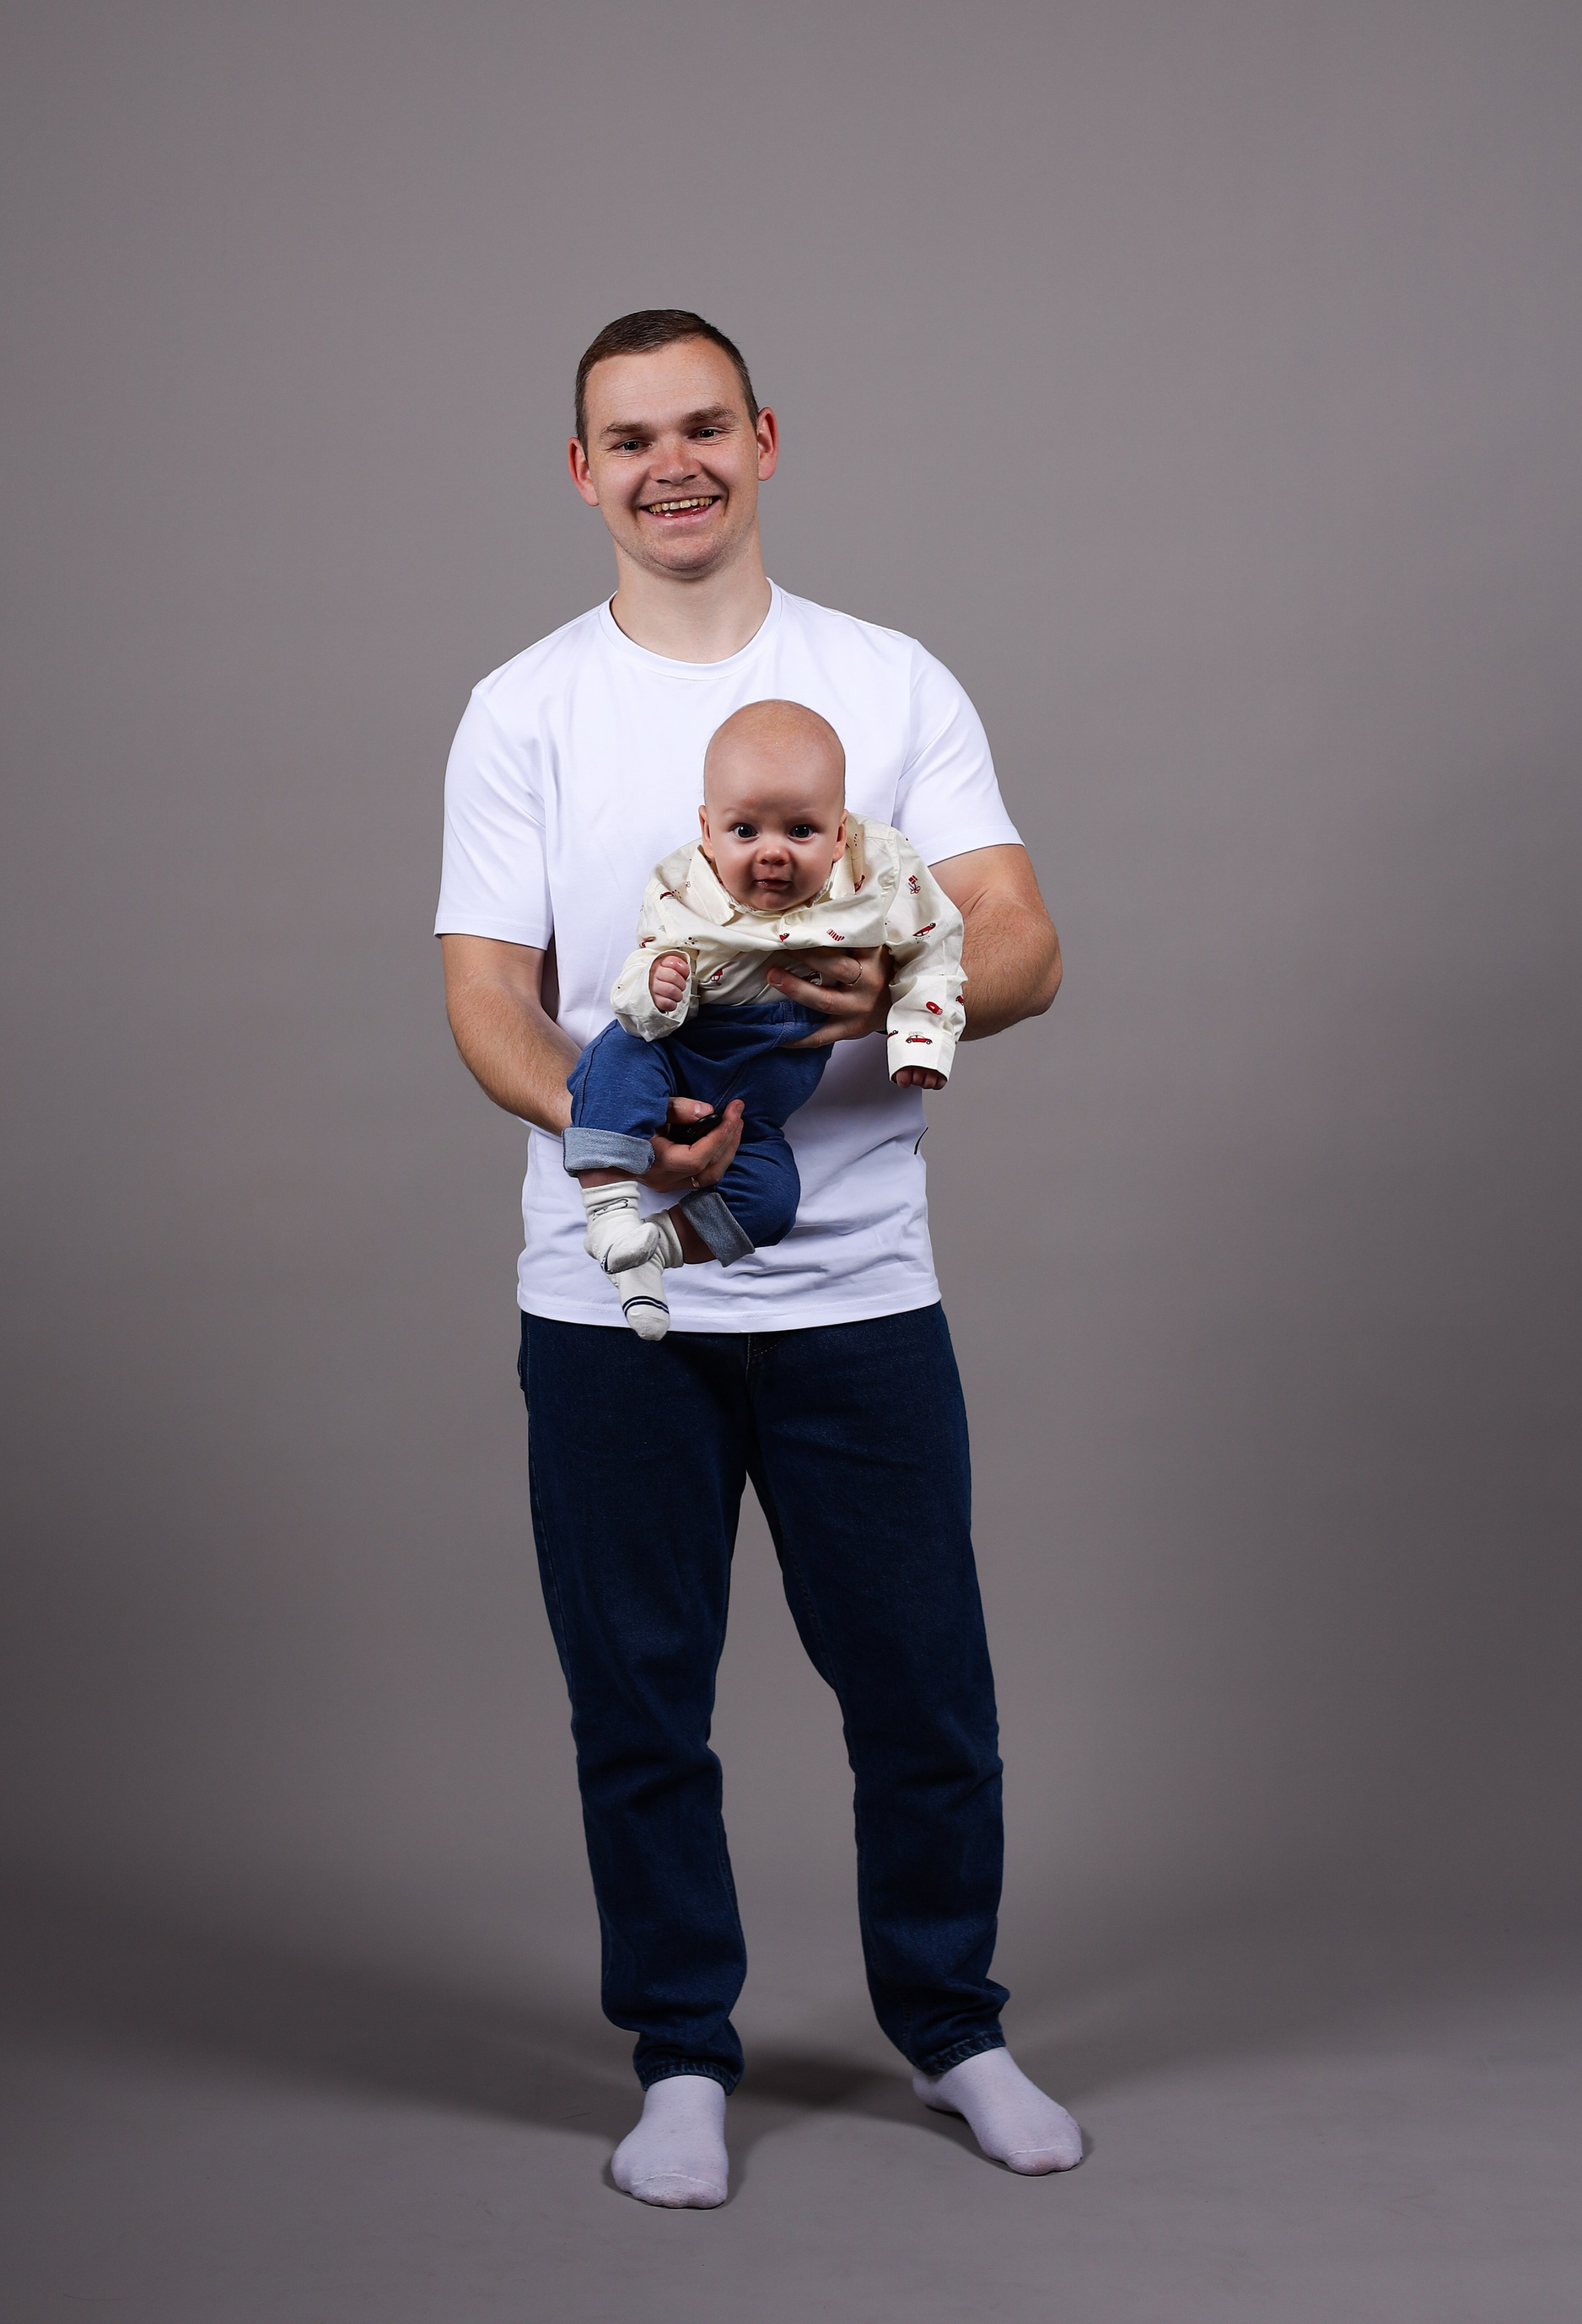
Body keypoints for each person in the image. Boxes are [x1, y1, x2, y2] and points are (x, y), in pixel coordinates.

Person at [437, 309, 1081, 2205]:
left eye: (703, 426)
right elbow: (486, 999)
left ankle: (953, 2030)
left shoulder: (888, 679)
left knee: (925, 1701)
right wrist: (613, 1125)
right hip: (611, 1300)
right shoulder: (523, 709)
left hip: (859, 1291)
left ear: (765, 439)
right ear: (583, 472)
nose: (674, 465)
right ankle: (681, 2062)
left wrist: (888, 1006)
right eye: (631, 438)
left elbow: (1025, 941)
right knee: (641, 1708)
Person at [567, 697, 966, 1337]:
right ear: (707, 830)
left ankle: (652, 1251)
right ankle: (609, 1211)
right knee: (616, 1056)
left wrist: (919, 1036)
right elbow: (641, 976)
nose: (772, 853)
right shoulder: (682, 884)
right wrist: (656, 987)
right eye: (745, 831)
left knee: (772, 1199)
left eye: (801, 831)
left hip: (755, 1108)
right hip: (678, 1050)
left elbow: (934, 945)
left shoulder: (877, 871)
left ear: (840, 832)